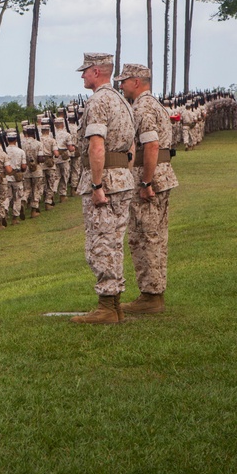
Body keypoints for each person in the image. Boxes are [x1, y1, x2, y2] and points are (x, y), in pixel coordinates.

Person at [71, 52, 135, 325]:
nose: (82, 75)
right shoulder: (122, 100)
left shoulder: (98, 101)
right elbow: (132, 145)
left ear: (97, 71)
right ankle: (116, 304)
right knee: (114, 242)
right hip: (121, 177)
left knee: (101, 244)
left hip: (105, 180)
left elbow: (97, 145)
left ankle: (106, 307)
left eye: (85, 71)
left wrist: (97, 185)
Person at [116, 64, 179, 314]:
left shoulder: (142, 106)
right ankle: (153, 293)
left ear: (136, 81)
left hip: (150, 179)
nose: (121, 86)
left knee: (145, 237)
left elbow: (151, 146)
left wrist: (146, 182)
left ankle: (151, 296)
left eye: (124, 81)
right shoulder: (153, 103)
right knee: (155, 236)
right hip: (160, 176)